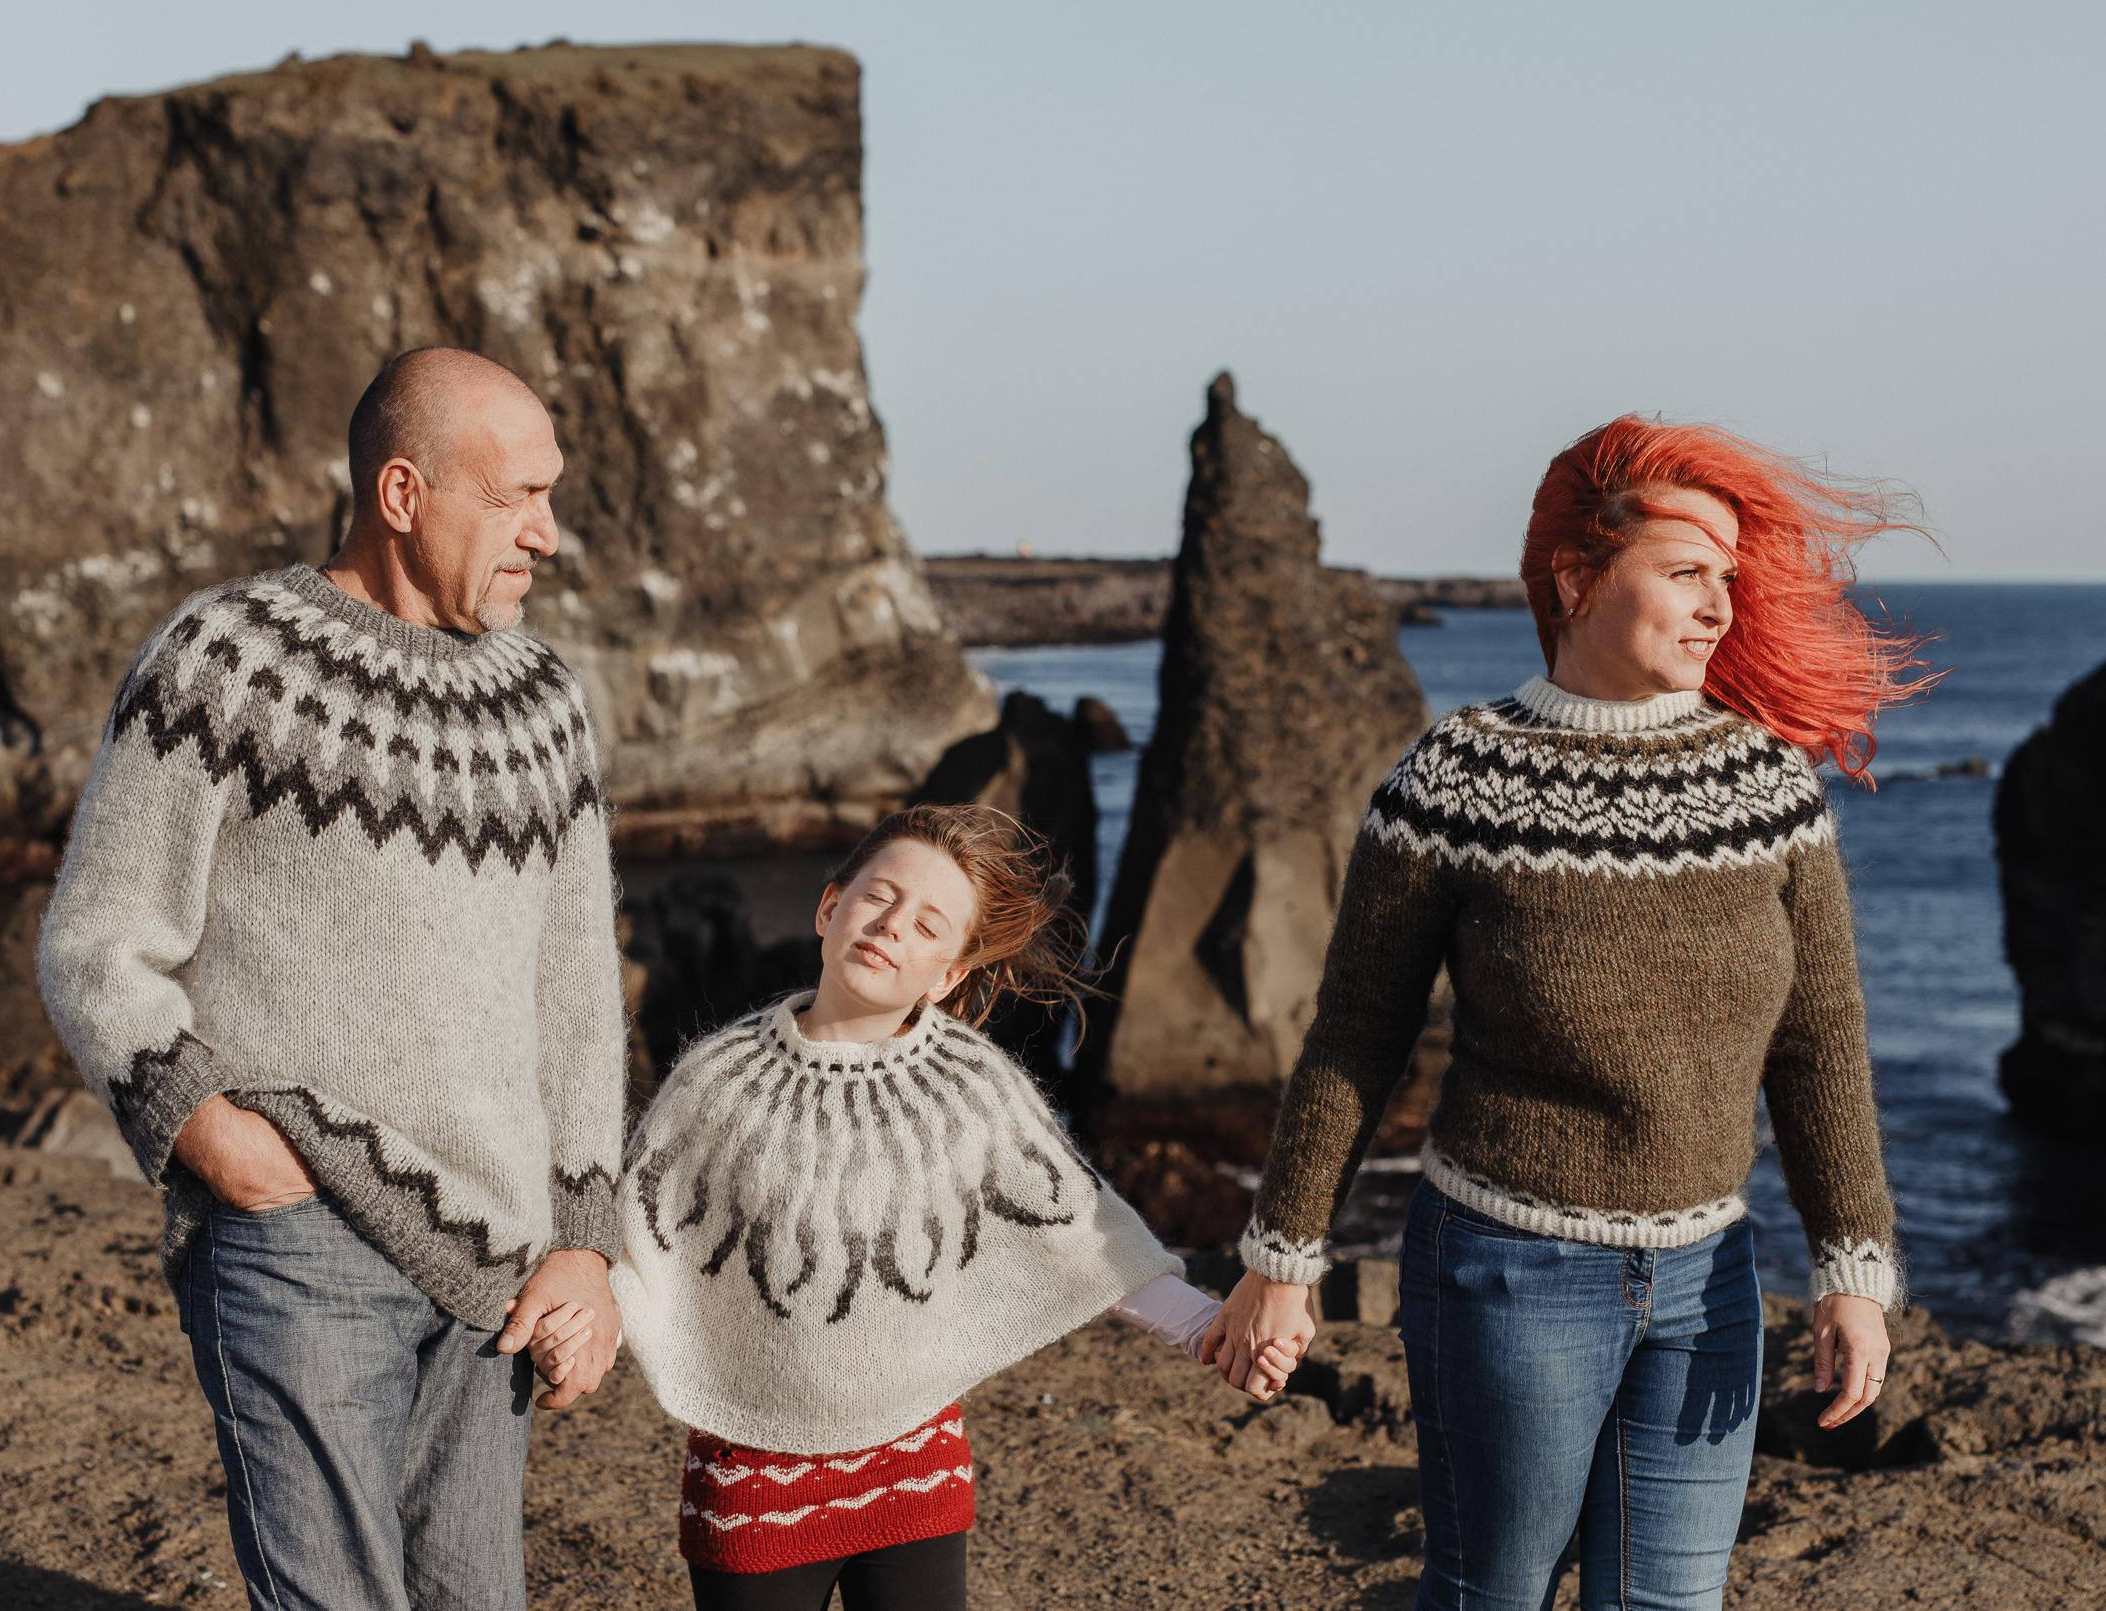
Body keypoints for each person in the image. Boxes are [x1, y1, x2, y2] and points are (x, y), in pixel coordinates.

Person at [1202, 415, 1932, 1610]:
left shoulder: (1765, 782)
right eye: (1687, 573)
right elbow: (1354, 1034)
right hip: (1508, 1268)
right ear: (1577, 575)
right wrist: (1283, 1255)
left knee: (1667, 1602)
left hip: (1711, 1279)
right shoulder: (1457, 776)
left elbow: (1819, 1037)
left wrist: (1853, 1264)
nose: (1717, 608)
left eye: (1729, 582)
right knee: (1492, 1593)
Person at [38, 347, 626, 1611]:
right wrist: (208, 1129)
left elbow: (577, 997)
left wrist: (586, 1244)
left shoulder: (546, 705)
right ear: (403, 494)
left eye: (551, 493)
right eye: (517, 496)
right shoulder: (226, 659)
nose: (550, 532)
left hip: (501, 1263)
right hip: (299, 1234)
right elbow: (97, 939)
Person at [597, 804, 1295, 1610]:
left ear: (948, 974)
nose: (893, 926)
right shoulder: (716, 1082)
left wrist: (1202, 1325)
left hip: (914, 1470)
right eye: (878, 897)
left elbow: (1075, 1235)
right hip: (751, 1476)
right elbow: (641, 1250)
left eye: (929, 924)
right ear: (830, 908)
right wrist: (582, 1329)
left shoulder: (969, 1086)